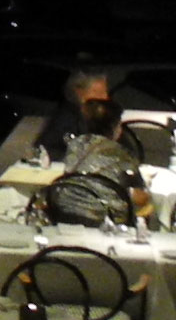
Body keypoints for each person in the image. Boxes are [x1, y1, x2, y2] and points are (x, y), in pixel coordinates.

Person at [45, 70, 153, 233]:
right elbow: (139, 196)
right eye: (98, 92)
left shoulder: (75, 146)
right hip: (105, 220)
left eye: (105, 92)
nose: (105, 97)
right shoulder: (120, 154)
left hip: (65, 214)